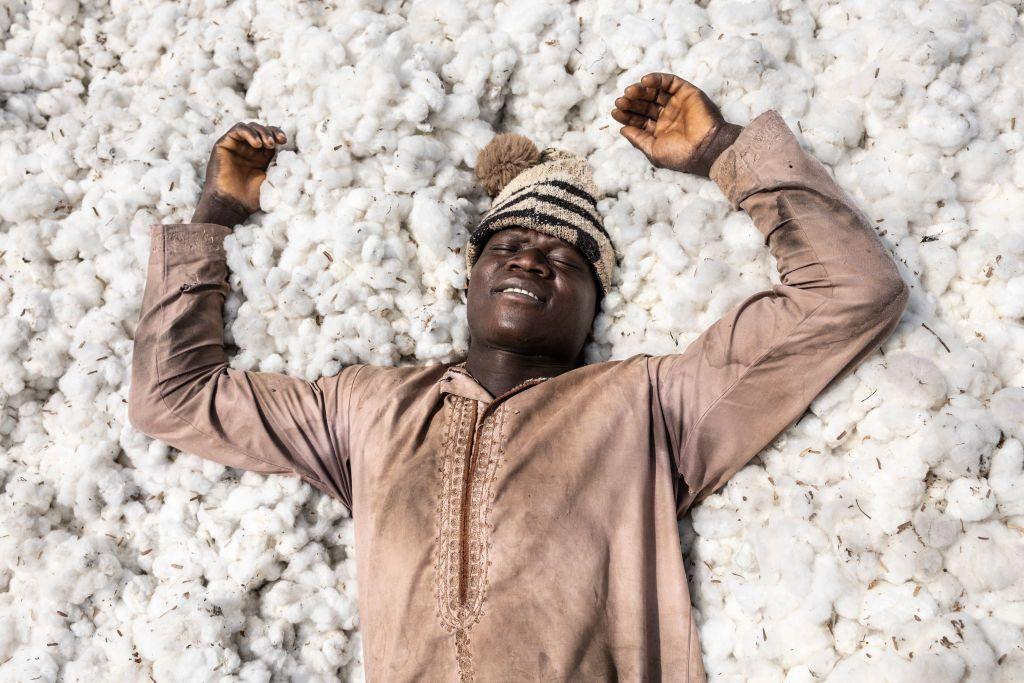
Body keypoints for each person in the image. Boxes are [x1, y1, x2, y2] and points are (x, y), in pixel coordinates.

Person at [128, 72, 909, 681]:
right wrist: (215, 215)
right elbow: (174, 397)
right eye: (507, 247)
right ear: (470, 278)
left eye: (568, 258)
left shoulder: (647, 405)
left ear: (594, 303)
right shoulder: (367, 408)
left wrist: (722, 152)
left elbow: (852, 289)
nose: (534, 258)